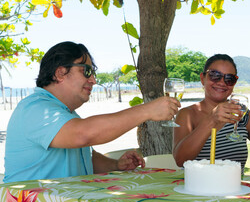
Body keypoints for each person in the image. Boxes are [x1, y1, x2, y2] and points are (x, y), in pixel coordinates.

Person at [4, 41, 180, 183]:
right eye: (86, 71)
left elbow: (86, 158)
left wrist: (117, 164)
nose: (93, 80)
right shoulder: (35, 109)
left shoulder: (66, 115)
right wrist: (147, 110)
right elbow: (83, 134)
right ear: (60, 73)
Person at [173, 54, 250, 177]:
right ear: (202, 78)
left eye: (229, 79)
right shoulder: (187, 114)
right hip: (197, 191)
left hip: (235, 192)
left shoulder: (242, 113)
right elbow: (180, 160)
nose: (222, 82)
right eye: (215, 76)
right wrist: (211, 120)